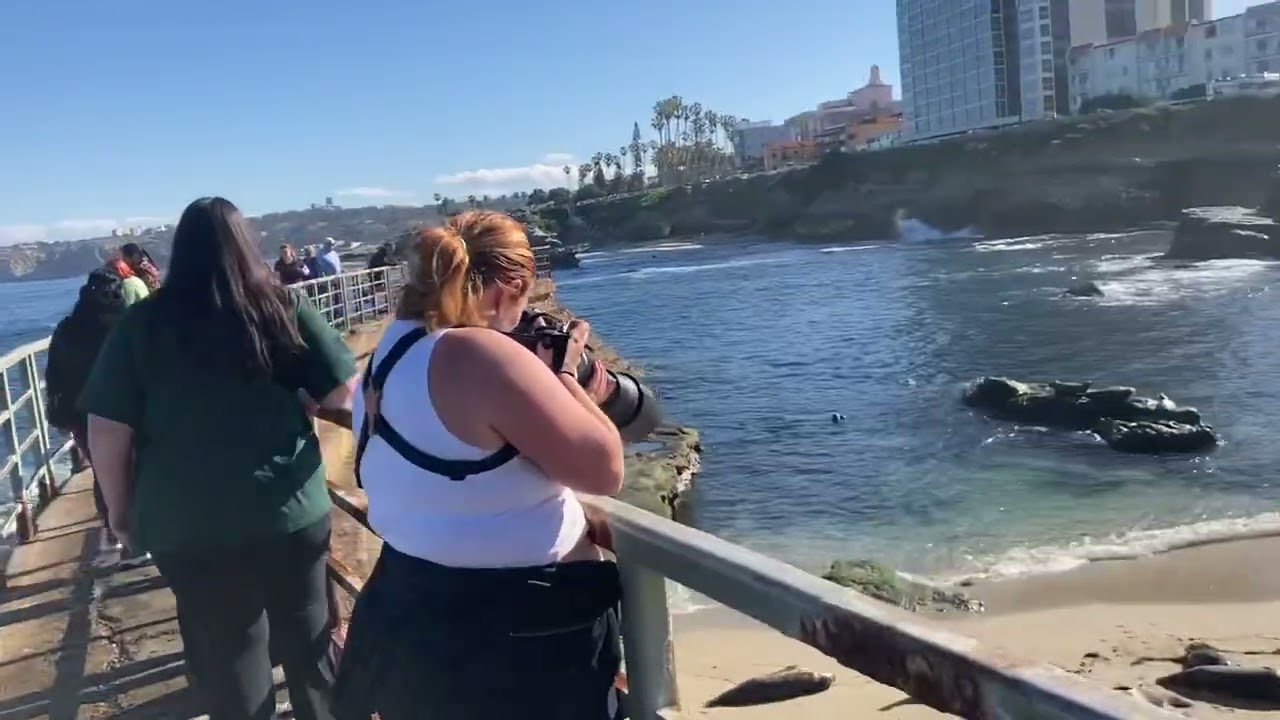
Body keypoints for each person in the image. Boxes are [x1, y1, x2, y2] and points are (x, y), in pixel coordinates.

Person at [333, 210, 625, 719]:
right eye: (522, 301)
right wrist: (568, 381)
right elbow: (604, 471)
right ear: (502, 290)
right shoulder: (475, 353)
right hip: (521, 640)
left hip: (417, 616)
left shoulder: (390, 351)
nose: (518, 320)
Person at [80, 196, 356, 720]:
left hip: (187, 527)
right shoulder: (280, 306)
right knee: (311, 641)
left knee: (232, 654)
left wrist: (120, 511)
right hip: (288, 511)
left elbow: (107, 429)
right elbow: (345, 393)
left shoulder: (141, 323)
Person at [44, 268, 129, 558]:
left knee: (102, 471)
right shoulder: (127, 324)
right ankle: (136, 534)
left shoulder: (68, 328)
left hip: (83, 414)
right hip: (127, 409)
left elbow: (54, 375)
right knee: (133, 467)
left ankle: (112, 531)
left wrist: (58, 414)